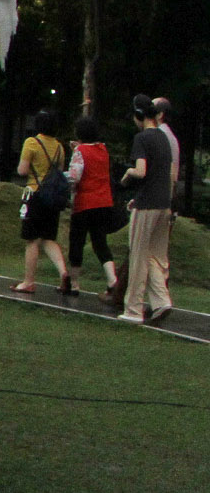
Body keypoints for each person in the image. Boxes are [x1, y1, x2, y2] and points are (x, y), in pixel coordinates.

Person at [121, 95, 176, 325]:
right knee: (154, 255)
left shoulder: (142, 138)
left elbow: (141, 171)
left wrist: (128, 174)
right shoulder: (164, 138)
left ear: (139, 116)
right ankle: (161, 301)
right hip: (164, 203)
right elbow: (167, 174)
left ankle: (133, 309)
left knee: (138, 255)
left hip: (147, 204)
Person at [12, 110, 69, 294]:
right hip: (52, 197)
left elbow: (22, 170)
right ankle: (63, 272)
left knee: (32, 240)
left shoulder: (32, 142)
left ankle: (28, 281)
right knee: (48, 238)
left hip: (35, 194)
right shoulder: (59, 147)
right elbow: (59, 172)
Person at [64, 116, 119, 303]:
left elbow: (75, 176)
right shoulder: (103, 149)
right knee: (100, 242)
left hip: (84, 203)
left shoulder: (79, 151)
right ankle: (112, 279)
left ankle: (74, 283)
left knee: (77, 242)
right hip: (103, 201)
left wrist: (62, 178)